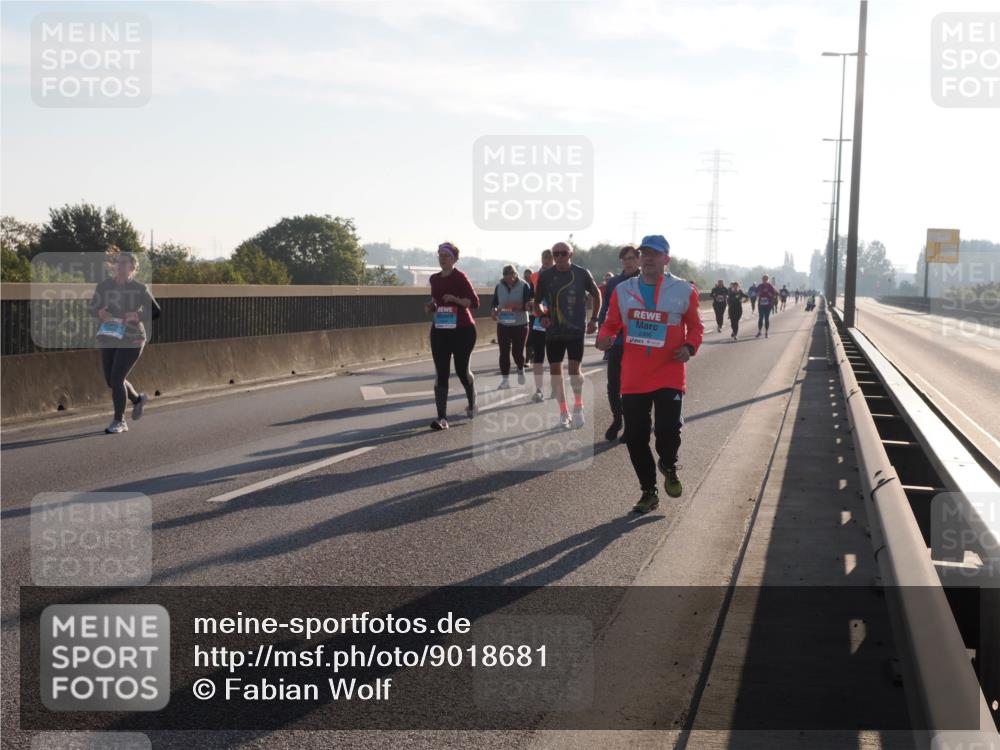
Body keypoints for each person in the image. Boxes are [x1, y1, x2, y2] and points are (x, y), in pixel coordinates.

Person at [596, 234, 703, 513]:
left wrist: (689, 346)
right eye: (645, 253)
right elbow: (611, 324)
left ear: (666, 258)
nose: (648, 258)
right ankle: (649, 491)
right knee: (635, 437)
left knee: (668, 430)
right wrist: (605, 337)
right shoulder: (623, 290)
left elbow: (695, 327)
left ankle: (668, 463)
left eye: (654, 253)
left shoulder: (683, 290)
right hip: (634, 375)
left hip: (669, 371)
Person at [89, 249, 160, 434]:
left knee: (117, 378)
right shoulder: (104, 286)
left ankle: (119, 420)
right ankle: (138, 399)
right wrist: (99, 313)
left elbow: (156, 311)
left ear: (132, 267)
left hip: (133, 338)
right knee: (111, 381)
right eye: (117, 262)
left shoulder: (139, 288)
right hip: (110, 336)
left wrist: (138, 315)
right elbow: (92, 308)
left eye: (123, 263)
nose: (119, 266)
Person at [533, 241, 600, 429]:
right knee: (555, 373)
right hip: (553, 331)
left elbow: (596, 295)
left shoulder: (581, 273)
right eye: (556, 254)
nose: (560, 257)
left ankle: (578, 405)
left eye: (564, 253)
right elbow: (536, 302)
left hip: (575, 329)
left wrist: (594, 319)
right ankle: (564, 412)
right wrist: (543, 316)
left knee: (573, 370)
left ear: (571, 254)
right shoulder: (546, 276)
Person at [426, 241, 480, 430]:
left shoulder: (460, 277)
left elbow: (474, 302)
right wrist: (432, 306)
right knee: (441, 372)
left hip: (463, 330)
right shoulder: (434, 279)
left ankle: (472, 403)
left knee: (461, 371)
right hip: (440, 329)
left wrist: (455, 299)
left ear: (454, 259)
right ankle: (442, 418)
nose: (442, 259)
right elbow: (436, 301)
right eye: (440, 255)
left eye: (446, 256)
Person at [596, 245, 640, 441]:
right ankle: (617, 419)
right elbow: (605, 308)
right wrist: (601, 331)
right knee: (613, 385)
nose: (628, 262)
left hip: (637, 342)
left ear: (638, 260)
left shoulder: (646, 280)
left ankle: (630, 425)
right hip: (617, 341)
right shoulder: (614, 283)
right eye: (625, 259)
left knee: (632, 386)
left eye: (631, 258)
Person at [490, 264, 531, 389]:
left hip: (520, 324)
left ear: (515, 274)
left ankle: (520, 368)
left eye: (510, 276)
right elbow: (495, 303)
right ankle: (505, 380)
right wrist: (494, 311)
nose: (508, 279)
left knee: (517, 352)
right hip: (503, 323)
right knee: (504, 352)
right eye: (505, 276)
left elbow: (529, 306)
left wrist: (516, 306)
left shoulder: (524, 286)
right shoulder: (499, 286)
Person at [529, 248, 555, 402]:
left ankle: (555, 387)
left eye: (549, 258)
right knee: (538, 356)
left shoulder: (560, 275)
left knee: (553, 357)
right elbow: (531, 295)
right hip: (539, 320)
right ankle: (539, 390)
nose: (546, 261)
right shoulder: (535, 276)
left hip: (555, 320)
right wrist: (530, 302)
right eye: (544, 258)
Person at [754, 274, 779, 338]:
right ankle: (759, 331)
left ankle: (766, 332)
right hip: (761, 304)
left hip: (768, 305)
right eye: (763, 279)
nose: (764, 280)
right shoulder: (760, 286)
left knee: (766, 318)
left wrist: (770, 294)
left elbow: (776, 293)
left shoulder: (770, 286)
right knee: (760, 318)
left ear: (768, 279)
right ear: (762, 279)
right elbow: (755, 292)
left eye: (766, 279)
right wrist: (758, 293)